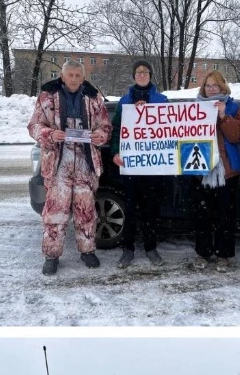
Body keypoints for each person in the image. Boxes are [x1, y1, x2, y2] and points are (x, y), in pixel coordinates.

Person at [27, 59, 111, 276]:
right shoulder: (47, 97)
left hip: (85, 162)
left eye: (77, 75)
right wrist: (49, 134)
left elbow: (105, 126)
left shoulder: (94, 99)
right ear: (63, 76)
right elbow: (34, 125)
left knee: (86, 211)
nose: (73, 79)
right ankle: (51, 255)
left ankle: (87, 251)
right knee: (56, 212)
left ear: (83, 77)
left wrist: (99, 136)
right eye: (70, 75)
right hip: (58, 162)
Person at [110, 59, 169, 268]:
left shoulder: (162, 100)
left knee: (151, 209)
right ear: (134, 76)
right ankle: (128, 249)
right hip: (131, 164)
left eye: (145, 71)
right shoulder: (125, 101)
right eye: (138, 71)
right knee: (130, 208)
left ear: (151, 75)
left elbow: (170, 128)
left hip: (153, 165)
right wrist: (115, 151)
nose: (142, 74)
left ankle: (151, 248)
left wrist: (149, 111)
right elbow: (116, 130)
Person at [189, 69, 240, 272]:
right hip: (200, 168)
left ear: (223, 87)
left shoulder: (234, 108)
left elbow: (236, 137)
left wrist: (223, 116)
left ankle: (224, 254)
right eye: (208, 85)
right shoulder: (194, 107)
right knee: (202, 214)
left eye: (215, 85)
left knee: (226, 215)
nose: (211, 89)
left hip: (226, 170)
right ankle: (203, 252)